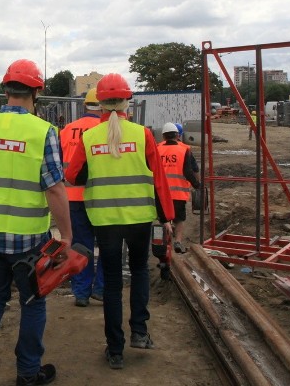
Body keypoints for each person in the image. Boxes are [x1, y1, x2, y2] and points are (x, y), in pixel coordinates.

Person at [0, 59, 72, 386]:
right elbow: (56, 189)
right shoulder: (43, 131)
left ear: (5, 89)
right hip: (29, 240)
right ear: (37, 92)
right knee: (33, 302)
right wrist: (67, 236)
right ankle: (28, 373)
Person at [65, 73, 174, 371]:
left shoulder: (89, 137)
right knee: (139, 271)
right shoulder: (143, 134)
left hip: (105, 220)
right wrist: (167, 218)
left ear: (99, 104)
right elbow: (159, 181)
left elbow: (73, 176)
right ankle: (139, 332)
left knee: (111, 282)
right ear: (128, 101)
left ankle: (115, 350)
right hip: (139, 219)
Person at [60, 87, 105, 307]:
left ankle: (80, 292)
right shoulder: (107, 130)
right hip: (101, 197)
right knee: (107, 244)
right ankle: (101, 288)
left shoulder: (67, 130)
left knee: (80, 244)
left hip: (72, 197)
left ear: (85, 105)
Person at [158, 122, 201, 253]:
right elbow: (189, 171)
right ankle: (177, 241)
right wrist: (197, 185)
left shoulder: (157, 148)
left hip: (161, 193)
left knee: (164, 218)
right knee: (179, 219)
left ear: (163, 136)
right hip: (178, 193)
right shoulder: (184, 149)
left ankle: (164, 241)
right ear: (177, 135)